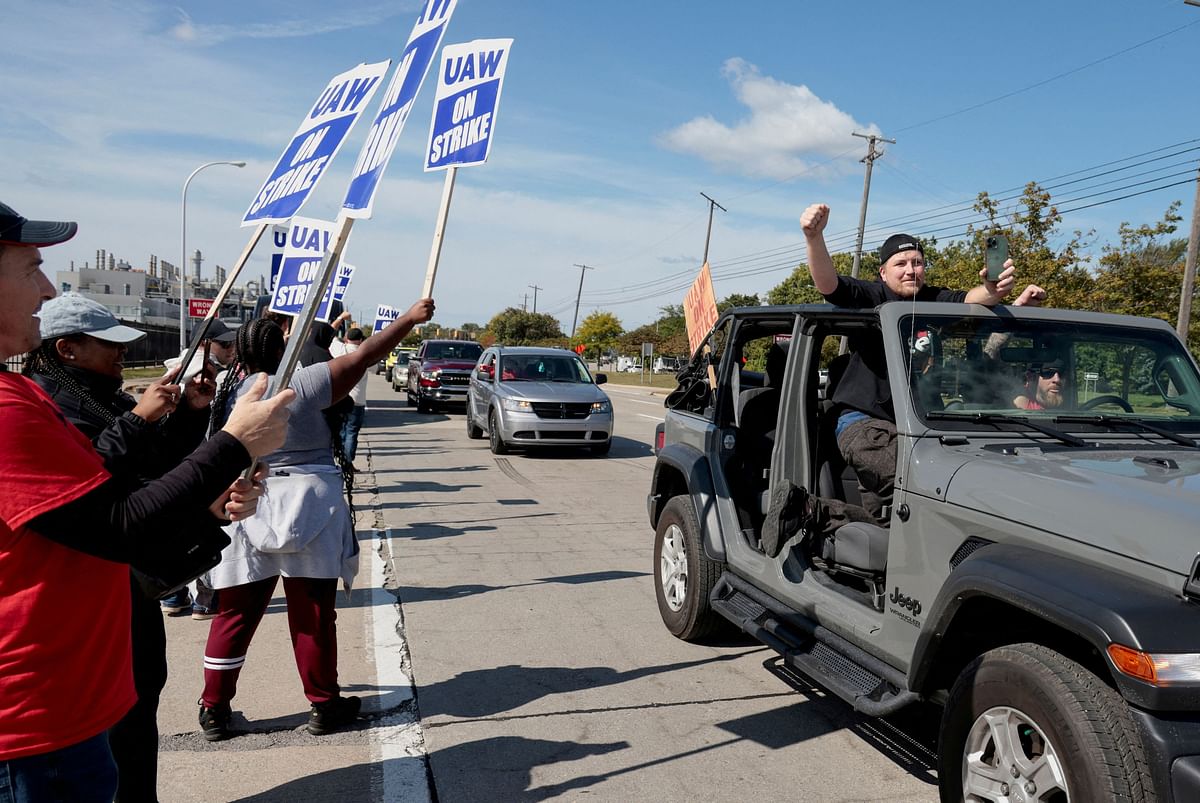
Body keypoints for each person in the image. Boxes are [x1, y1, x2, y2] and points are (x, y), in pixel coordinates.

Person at [0, 200, 293, 803]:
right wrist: (235, 442)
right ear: (68, 352)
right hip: (38, 720)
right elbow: (120, 521)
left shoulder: (25, 397)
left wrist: (205, 498)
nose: (48, 285)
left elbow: (116, 501)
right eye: (30, 267)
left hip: (78, 690)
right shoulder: (13, 407)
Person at [22, 292, 227, 803]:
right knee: (111, 730)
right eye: (107, 344)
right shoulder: (46, 401)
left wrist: (187, 414)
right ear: (67, 349)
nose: (120, 353)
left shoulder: (99, 391)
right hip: (86, 586)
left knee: (138, 704)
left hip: (123, 585)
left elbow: (157, 467)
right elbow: (89, 486)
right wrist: (137, 420)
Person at [198, 298, 435, 741]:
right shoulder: (302, 383)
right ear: (281, 348)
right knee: (312, 614)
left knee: (234, 615)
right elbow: (366, 355)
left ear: (241, 353)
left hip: (246, 500)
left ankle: (213, 709)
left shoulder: (227, 394)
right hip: (311, 501)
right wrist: (408, 319)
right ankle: (323, 704)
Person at [799, 202, 1019, 528]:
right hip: (863, 425)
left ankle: (806, 512)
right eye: (900, 263)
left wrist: (992, 289)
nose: (910, 269)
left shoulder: (931, 300)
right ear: (883, 273)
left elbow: (970, 300)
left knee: (890, 525)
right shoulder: (873, 296)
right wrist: (814, 238)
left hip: (914, 429)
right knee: (927, 484)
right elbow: (829, 285)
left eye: (917, 263)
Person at [160, 317, 240, 620]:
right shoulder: (199, 372)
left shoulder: (181, 366)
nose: (231, 349)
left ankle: (175, 595)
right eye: (225, 343)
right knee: (199, 531)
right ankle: (203, 600)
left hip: (177, 464)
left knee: (174, 531)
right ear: (206, 344)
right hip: (196, 463)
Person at [329, 327, 368, 463]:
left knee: (340, 431)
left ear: (346, 339)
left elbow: (332, 336)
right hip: (358, 401)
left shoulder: (341, 350)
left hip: (341, 398)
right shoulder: (366, 354)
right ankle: (347, 463)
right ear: (361, 340)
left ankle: (337, 460)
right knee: (351, 432)